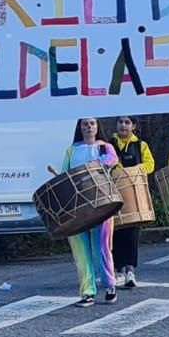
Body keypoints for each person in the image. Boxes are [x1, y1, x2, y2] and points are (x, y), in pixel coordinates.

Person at [64, 118, 119, 306]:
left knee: (102, 248)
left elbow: (112, 160)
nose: (89, 127)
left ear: (97, 127)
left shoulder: (105, 148)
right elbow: (65, 174)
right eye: (85, 124)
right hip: (77, 207)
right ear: (80, 127)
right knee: (81, 251)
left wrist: (93, 164)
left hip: (102, 205)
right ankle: (87, 291)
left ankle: (110, 285)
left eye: (92, 123)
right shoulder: (72, 150)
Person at [110, 115, 154, 288]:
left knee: (132, 232)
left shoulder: (140, 145)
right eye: (120, 122)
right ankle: (117, 268)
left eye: (127, 122)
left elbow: (150, 164)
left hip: (134, 196)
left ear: (133, 126)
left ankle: (130, 270)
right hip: (114, 195)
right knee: (114, 232)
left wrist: (134, 170)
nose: (123, 125)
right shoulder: (108, 145)